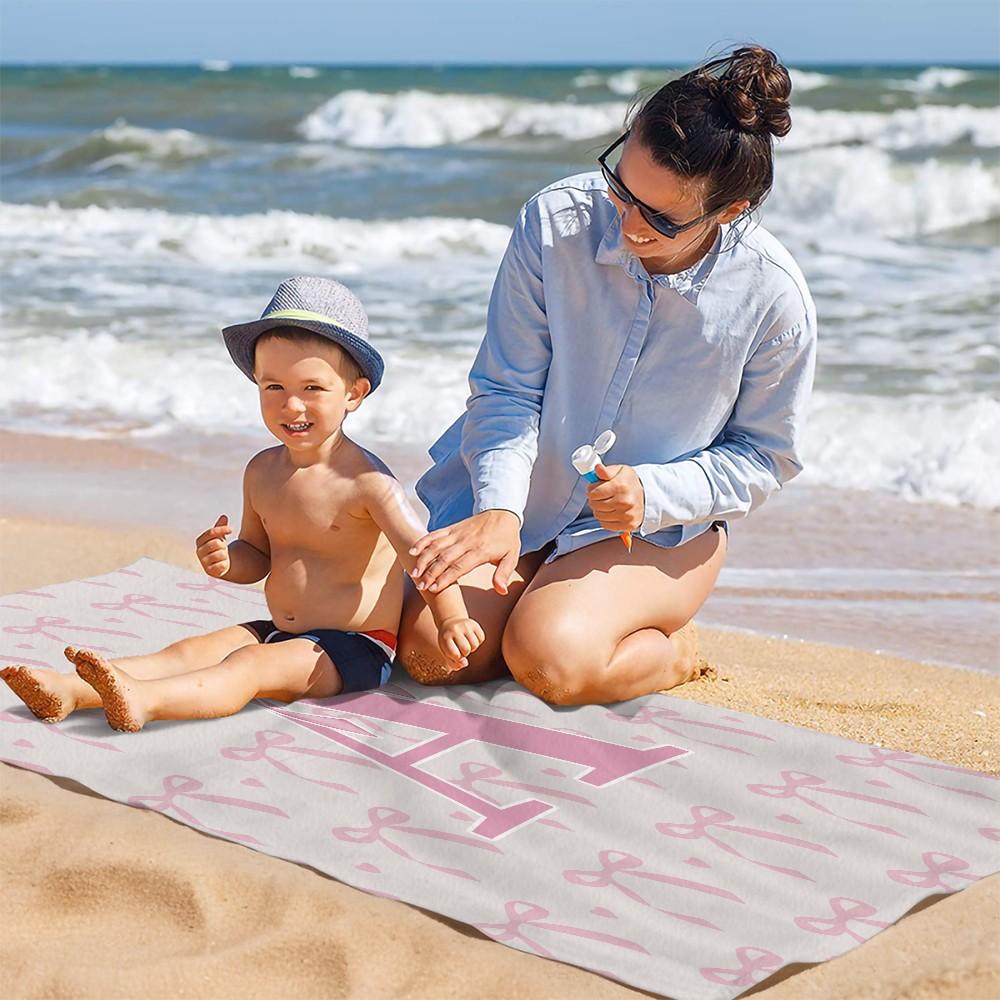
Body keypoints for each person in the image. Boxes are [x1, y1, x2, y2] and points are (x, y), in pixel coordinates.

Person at [399, 46, 817, 706]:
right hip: (525, 495)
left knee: (549, 662)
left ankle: (672, 651)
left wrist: (653, 491)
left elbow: (766, 456)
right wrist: (500, 507)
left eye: (660, 218)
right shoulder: (553, 221)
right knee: (434, 655)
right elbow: (507, 389)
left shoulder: (773, 297)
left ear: (729, 212)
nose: (626, 224)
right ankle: (544, 601)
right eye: (621, 188)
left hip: (650, 529)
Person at [1, 276, 484, 732]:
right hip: (279, 630)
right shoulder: (262, 471)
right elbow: (258, 555)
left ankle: (146, 701)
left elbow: (423, 558)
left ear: (354, 394)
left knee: (249, 666)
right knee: (191, 651)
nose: (291, 405)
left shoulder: (369, 483)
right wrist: (227, 560)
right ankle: (69, 691)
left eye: (312, 388)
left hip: (354, 647)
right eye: (274, 387)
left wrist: (452, 619)